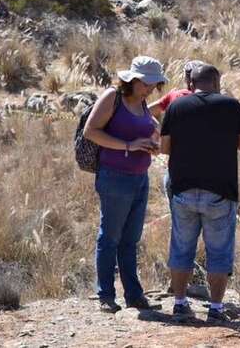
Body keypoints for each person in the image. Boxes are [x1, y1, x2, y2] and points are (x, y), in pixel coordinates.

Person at [160, 64, 240, 321]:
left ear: (192, 83)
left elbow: (164, 147)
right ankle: (215, 309)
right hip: (219, 192)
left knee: (181, 248)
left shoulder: (176, 107)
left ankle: (179, 303)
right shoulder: (230, 106)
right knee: (219, 252)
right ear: (216, 82)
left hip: (183, 190)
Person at [84, 56, 167, 313]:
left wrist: (151, 144)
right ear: (132, 79)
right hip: (115, 177)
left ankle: (134, 296)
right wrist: (129, 146)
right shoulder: (113, 97)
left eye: (154, 84)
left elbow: (152, 128)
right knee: (109, 237)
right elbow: (91, 131)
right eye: (146, 84)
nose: (151, 89)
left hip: (140, 177)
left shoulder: (143, 103)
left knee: (130, 240)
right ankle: (106, 296)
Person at [148, 59, 205, 201]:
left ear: (186, 79)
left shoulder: (174, 96)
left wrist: (159, 129)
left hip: (177, 172)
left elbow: (146, 111)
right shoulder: (216, 101)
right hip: (209, 177)